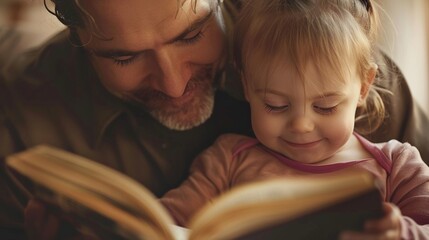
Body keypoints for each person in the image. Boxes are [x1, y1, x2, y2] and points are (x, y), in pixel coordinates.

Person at [0, 0, 427, 239]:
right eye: (125, 57)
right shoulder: (22, 118)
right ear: (79, 41)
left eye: (191, 35)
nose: (172, 83)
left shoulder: (333, 57)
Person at [160, 0, 429, 239]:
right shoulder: (227, 161)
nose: (301, 125)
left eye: (326, 106)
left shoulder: (397, 167)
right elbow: (161, 224)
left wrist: (401, 232)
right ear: (246, 86)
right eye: (275, 105)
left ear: (363, 88)